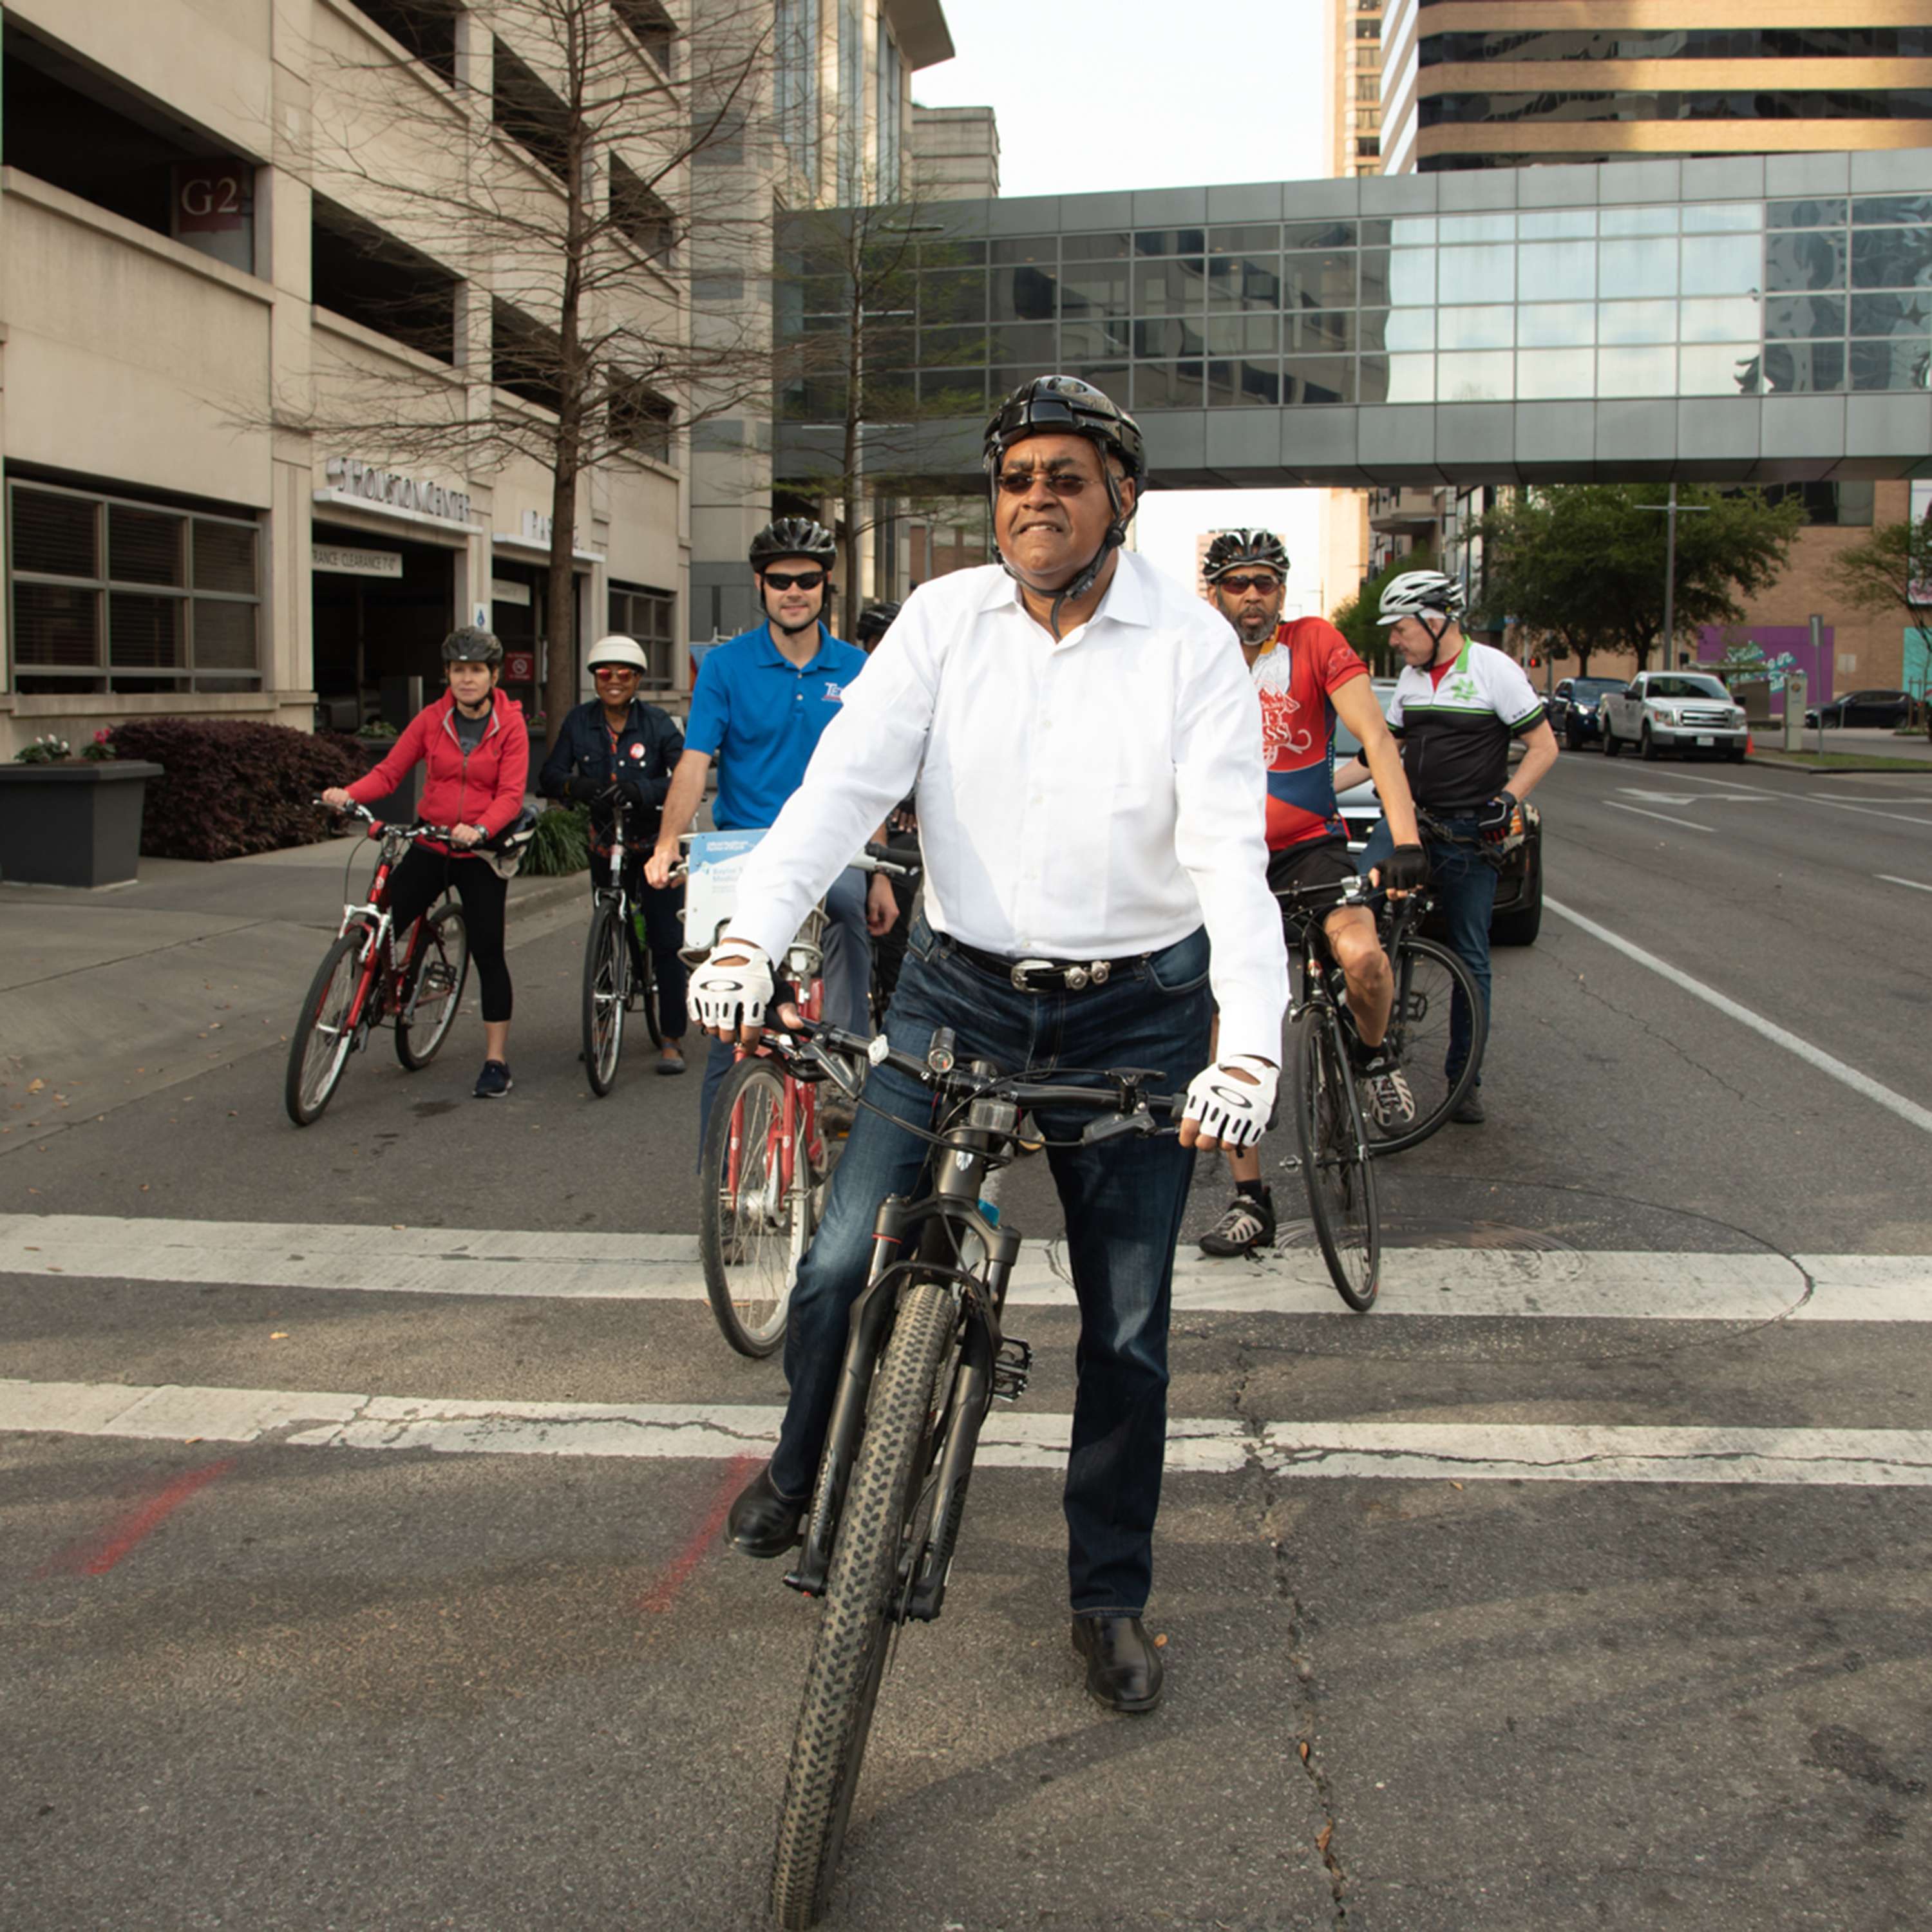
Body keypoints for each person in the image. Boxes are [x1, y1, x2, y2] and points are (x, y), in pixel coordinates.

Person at [688, 376, 1287, 1715]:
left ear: (1119, 498)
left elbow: (1228, 858)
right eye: (1016, 480)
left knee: (1128, 1330)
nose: (1036, 501)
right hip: (957, 992)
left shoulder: (1190, 647)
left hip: (1138, 1007)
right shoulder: (947, 621)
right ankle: (797, 1465)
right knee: (841, 1258)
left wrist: (1246, 1049)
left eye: (1066, 478)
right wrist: (745, 938)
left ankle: (1107, 1596)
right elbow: (840, 787)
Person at [645, 520, 898, 1141]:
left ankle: (840, 1072)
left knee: (847, 920)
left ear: (825, 586)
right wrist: (665, 844)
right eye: (781, 580)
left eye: (807, 580)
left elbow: (874, 775)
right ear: (760, 585)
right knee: (732, 1011)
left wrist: (882, 875)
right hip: (742, 854)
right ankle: (718, 1178)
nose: (794, 591)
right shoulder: (726, 667)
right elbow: (695, 762)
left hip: (831, 848)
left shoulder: (859, 667)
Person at [1341, 569, 1559, 1126]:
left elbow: (1543, 746)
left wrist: (1507, 799)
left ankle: (1465, 1082)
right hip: (1409, 824)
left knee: (1470, 954)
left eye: (1400, 628)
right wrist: (1311, 789)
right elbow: (1379, 752)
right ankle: (1369, 1051)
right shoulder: (1412, 681)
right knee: (1355, 915)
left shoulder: (1494, 671)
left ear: (1435, 621)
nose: (1393, 639)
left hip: (1466, 833)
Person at [321, 626, 529, 1099]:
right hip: (432, 841)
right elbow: (391, 771)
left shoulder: (510, 725)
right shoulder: (432, 719)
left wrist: (479, 829)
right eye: (459, 670)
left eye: (477, 670)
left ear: (493, 676)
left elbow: (511, 795)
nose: (467, 679)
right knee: (384, 924)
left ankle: (496, 1060)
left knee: (489, 952)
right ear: (448, 676)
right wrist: (348, 795)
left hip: (479, 851)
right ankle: (362, 1003)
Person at [538, 634, 690, 1074]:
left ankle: (673, 1036)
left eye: (624, 674)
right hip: (605, 844)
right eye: (605, 674)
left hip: (653, 845)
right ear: (595, 680)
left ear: (638, 679)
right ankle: (602, 1026)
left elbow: (685, 775)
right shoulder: (578, 723)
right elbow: (550, 774)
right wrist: (577, 786)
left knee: (665, 939)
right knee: (607, 936)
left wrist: (641, 790)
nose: (614, 681)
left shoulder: (658, 723)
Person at [855, 601, 920, 1010]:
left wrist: (912, 801)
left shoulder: (923, 687)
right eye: (876, 644)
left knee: (895, 930)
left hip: (902, 830)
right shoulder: (852, 686)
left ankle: (894, 1007)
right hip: (854, 825)